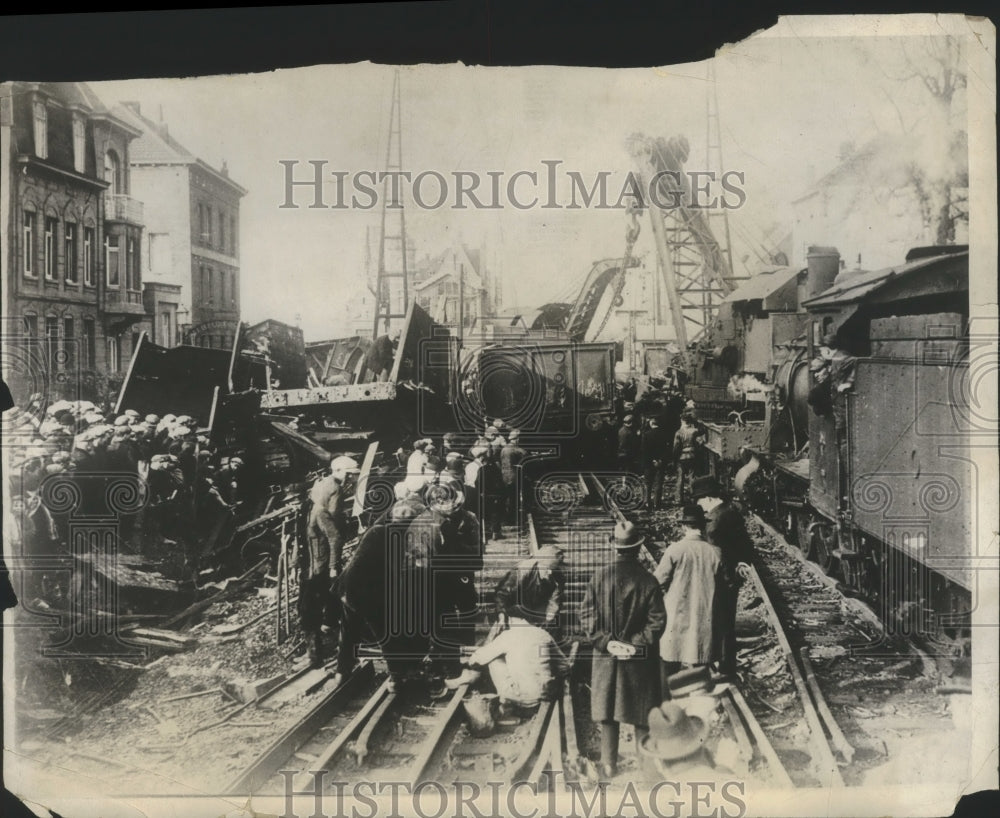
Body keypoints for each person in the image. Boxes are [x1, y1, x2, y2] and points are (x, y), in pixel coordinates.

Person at [579, 521, 666, 780]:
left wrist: (607, 642)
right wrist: (635, 643)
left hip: (606, 656)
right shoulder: (648, 581)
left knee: (607, 713)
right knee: (641, 713)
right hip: (639, 658)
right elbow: (657, 621)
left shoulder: (599, 576)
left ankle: (609, 765)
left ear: (613, 547)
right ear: (638, 548)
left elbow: (586, 615)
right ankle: (646, 767)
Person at [408, 476, 483, 675]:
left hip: (455, 576)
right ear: (438, 504)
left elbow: (477, 553)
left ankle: (466, 655)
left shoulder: (467, 519)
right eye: (451, 504)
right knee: (443, 620)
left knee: (464, 612)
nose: (455, 507)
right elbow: (420, 560)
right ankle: (449, 666)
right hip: (435, 580)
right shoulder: (424, 525)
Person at [654, 504, 722, 692]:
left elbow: (657, 581)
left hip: (676, 614)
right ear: (703, 526)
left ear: (684, 527)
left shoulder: (674, 550)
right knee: (699, 661)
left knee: (670, 659)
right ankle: (699, 700)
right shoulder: (715, 552)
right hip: (704, 615)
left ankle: (668, 703)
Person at [301, 455, 360, 667]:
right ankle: (329, 640)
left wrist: (333, 566)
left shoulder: (318, 505)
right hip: (320, 561)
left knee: (312, 605)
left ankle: (316, 656)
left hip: (322, 562)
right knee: (326, 599)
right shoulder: (328, 496)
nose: (351, 479)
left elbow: (333, 535)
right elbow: (333, 533)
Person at [692, 476, 754, 677]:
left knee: (718, 622)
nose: (698, 505)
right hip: (730, 578)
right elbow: (745, 545)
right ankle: (726, 665)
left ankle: (722, 666)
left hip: (719, 579)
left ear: (709, 498)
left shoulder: (714, 521)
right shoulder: (730, 511)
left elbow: (713, 554)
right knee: (726, 622)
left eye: (699, 500)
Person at [443, 615, 570, 712]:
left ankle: (504, 700)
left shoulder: (507, 635)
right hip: (545, 694)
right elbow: (565, 666)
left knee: (493, 660)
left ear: (511, 619)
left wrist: (468, 664)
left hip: (520, 698)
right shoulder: (543, 633)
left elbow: (478, 659)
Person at [493, 545, 564, 635]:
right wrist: (501, 616)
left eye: (552, 570)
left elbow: (554, 601)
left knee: (554, 624)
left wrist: (548, 620)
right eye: (546, 569)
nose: (549, 573)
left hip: (536, 608)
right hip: (516, 608)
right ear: (539, 564)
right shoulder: (522, 570)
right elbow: (502, 595)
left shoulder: (558, 576)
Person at [672, 411, 704, 504]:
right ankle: (694, 497)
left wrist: (674, 458)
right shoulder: (694, 431)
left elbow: (676, 447)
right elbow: (702, 430)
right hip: (692, 455)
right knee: (692, 477)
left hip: (682, 457)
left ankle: (679, 499)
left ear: (682, 421)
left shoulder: (678, 432)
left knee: (680, 478)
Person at [640, 415, 669, 511]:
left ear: (651, 423)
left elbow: (644, 450)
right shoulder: (664, 434)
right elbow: (666, 449)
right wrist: (660, 460)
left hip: (649, 463)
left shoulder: (646, 434)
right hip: (660, 463)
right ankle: (657, 504)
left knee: (648, 483)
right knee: (658, 483)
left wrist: (651, 460)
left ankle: (647, 502)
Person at [499, 429, 527, 527]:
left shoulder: (504, 449)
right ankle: (512, 519)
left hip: (504, 476)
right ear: (516, 439)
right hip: (514, 476)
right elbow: (525, 455)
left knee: (506, 498)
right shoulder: (516, 449)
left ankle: (506, 518)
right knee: (514, 498)